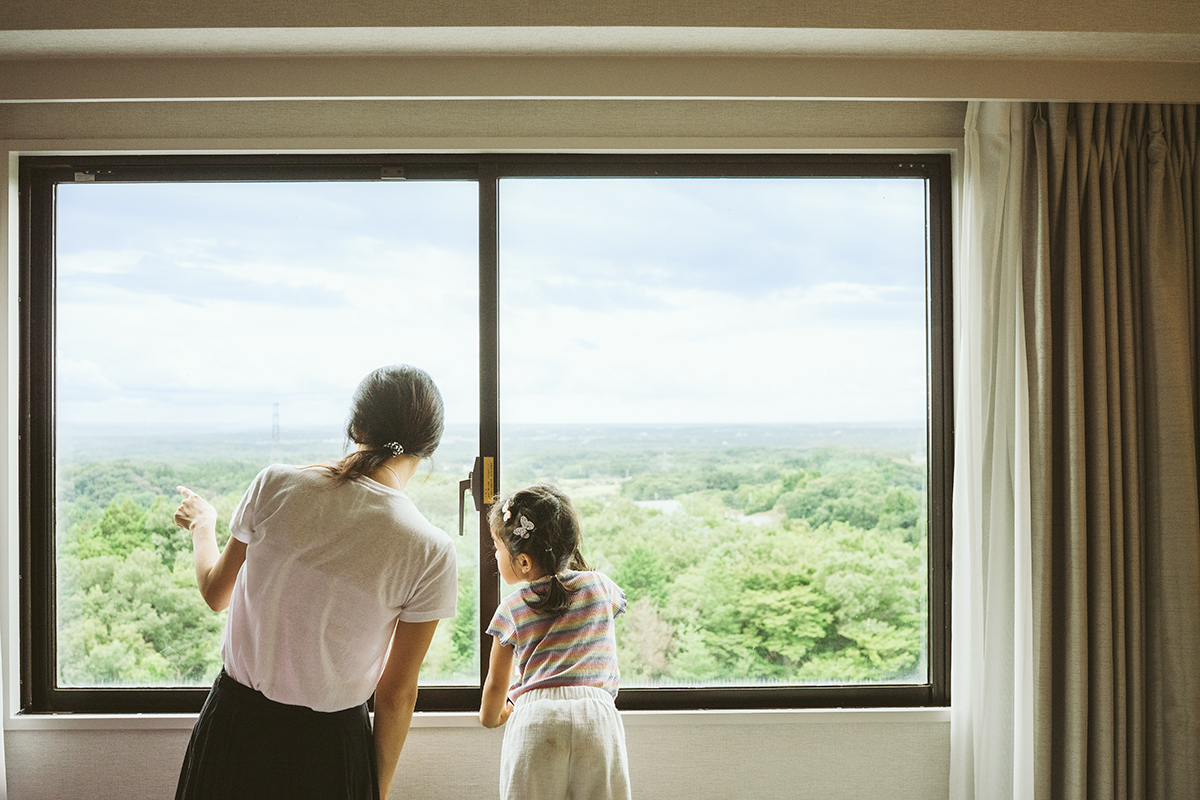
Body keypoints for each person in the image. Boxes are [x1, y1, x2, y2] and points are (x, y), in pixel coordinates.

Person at [172, 365, 458, 800]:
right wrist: (374, 791)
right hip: (330, 749)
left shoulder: (276, 484)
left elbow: (216, 593)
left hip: (234, 729)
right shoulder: (430, 549)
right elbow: (396, 695)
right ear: (428, 447)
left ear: (355, 427)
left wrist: (202, 526)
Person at [479, 482, 631, 800]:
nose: (494, 553)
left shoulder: (512, 607)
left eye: (498, 547)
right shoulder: (601, 587)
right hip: (597, 719)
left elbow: (496, 683)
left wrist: (492, 717)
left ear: (523, 562)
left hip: (536, 720)